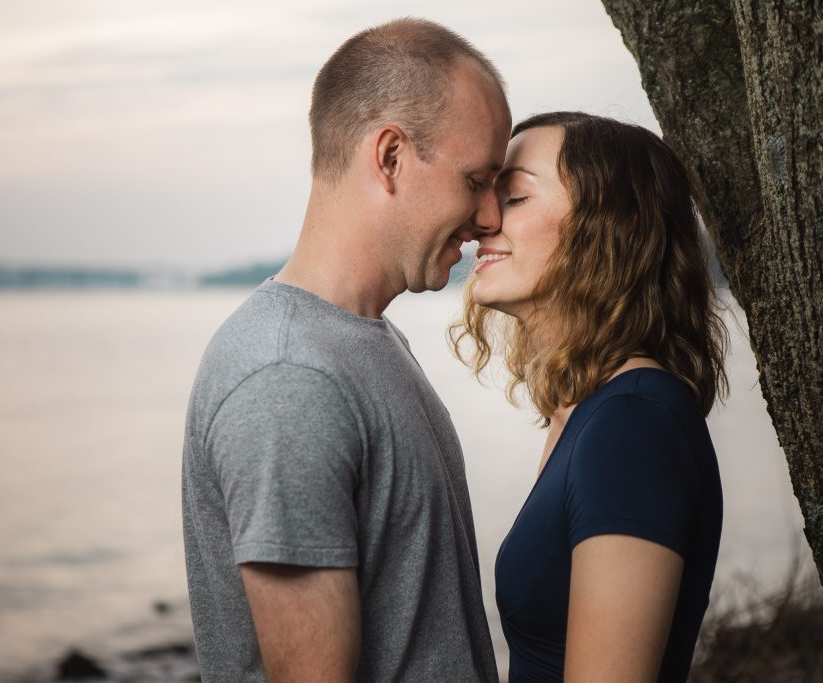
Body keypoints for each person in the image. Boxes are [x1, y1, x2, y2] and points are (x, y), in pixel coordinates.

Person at [182, 17, 511, 682]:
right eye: (476, 178)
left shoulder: (363, 341)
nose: (491, 217)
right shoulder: (288, 378)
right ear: (389, 156)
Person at [451, 111, 729, 682]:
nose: (481, 220)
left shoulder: (633, 424)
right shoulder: (590, 410)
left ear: (612, 225)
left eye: (516, 197)